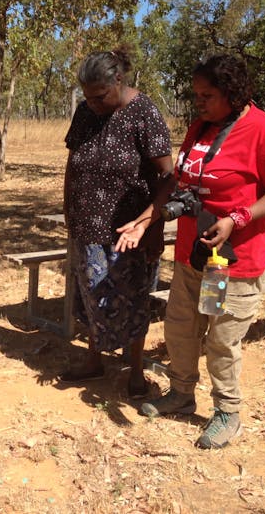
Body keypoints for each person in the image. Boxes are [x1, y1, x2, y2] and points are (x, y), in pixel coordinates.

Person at [139, 54, 265, 449]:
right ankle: (181, 394)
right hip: (194, 257)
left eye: (207, 95)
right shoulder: (200, 128)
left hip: (232, 263)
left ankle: (227, 413)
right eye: (196, 95)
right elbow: (181, 175)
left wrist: (237, 219)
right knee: (180, 329)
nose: (199, 102)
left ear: (233, 93)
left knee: (222, 340)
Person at [61, 45, 174, 398]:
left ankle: (136, 370)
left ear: (119, 81)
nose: (93, 103)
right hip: (88, 226)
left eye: (99, 96)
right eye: (88, 97)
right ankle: (94, 361)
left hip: (130, 231)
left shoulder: (144, 113)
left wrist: (153, 228)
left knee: (133, 300)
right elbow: (73, 163)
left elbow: (168, 177)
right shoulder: (84, 113)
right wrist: (68, 209)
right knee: (92, 297)